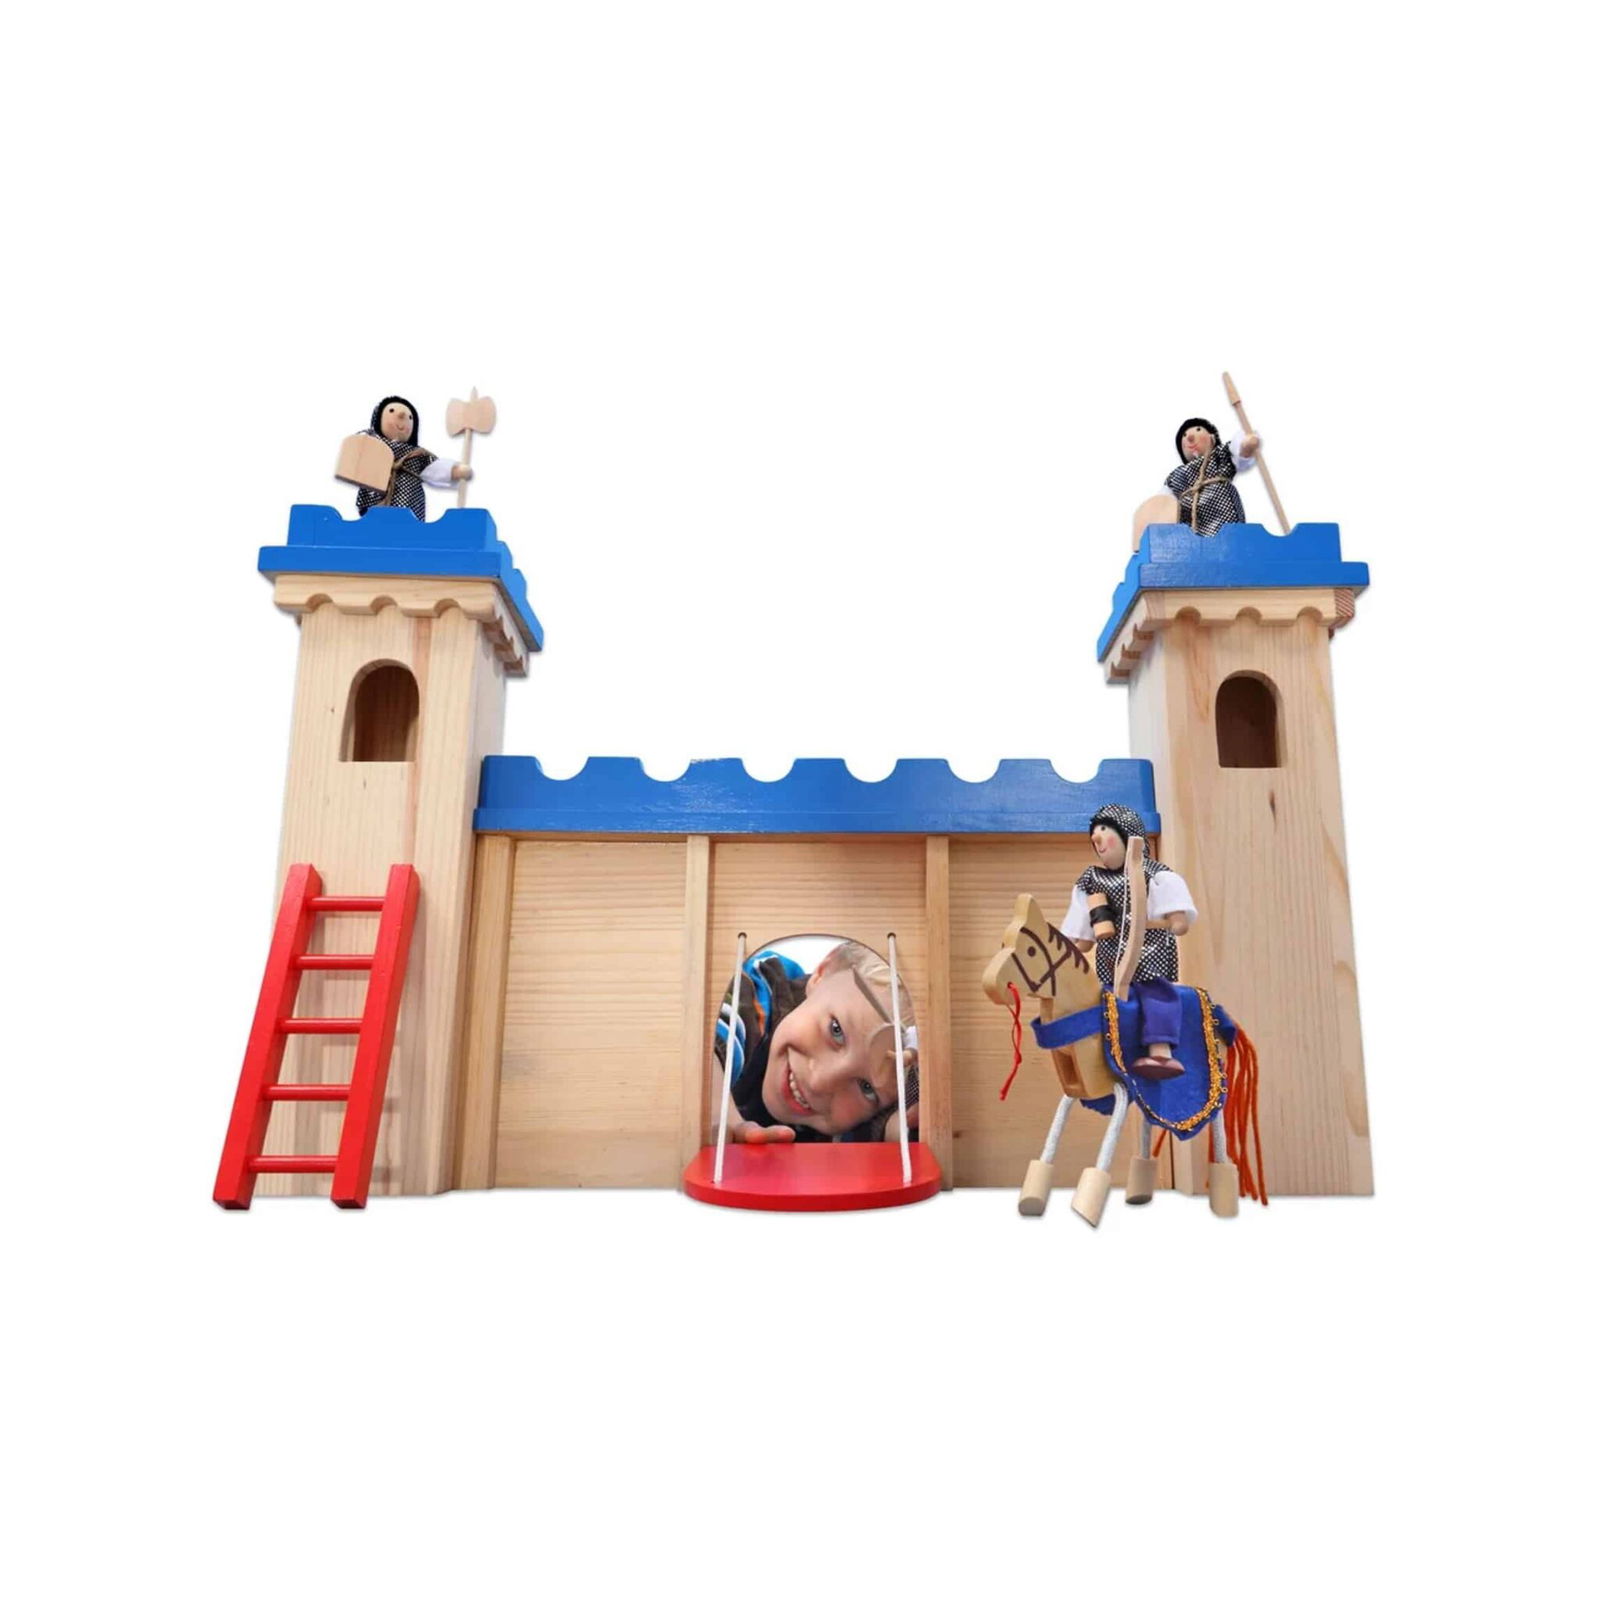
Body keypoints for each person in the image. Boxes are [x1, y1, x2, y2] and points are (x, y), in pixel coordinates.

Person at [712, 939, 919, 1144]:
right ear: (823, 973)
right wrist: (720, 1116)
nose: (818, 1083)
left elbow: (885, 1128)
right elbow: (708, 1041)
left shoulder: (851, 1123)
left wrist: (907, 1129)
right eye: (836, 1030)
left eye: (866, 1088)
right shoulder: (758, 991)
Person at [1062, 804, 1197, 1080]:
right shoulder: (1092, 880)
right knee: (1108, 999)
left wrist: (1176, 918)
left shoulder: (1152, 873)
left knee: (1157, 995)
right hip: (1111, 955)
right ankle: (1111, 1049)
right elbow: (1084, 930)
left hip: (1150, 950)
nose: (1097, 838)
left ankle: (1160, 1051)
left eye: (1104, 830)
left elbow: (1176, 912)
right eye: (1095, 832)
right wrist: (1076, 942)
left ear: (1127, 834)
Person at [354, 395, 471, 520]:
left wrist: (454, 471)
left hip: (409, 511)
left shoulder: (417, 455)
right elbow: (354, 458)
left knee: (407, 525)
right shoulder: (371, 446)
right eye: (391, 411)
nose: (402, 416)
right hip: (375, 508)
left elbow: (434, 468)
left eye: (410, 418)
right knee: (374, 523)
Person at [1164, 417, 1260, 537]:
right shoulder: (1178, 475)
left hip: (1224, 516)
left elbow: (1236, 450)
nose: (1190, 437)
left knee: (1230, 536)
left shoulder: (1219, 457)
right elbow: (1164, 499)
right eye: (1184, 435)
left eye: (1198, 430)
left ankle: (1231, 540)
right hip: (1191, 530)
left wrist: (1245, 445)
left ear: (1212, 437)